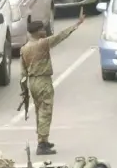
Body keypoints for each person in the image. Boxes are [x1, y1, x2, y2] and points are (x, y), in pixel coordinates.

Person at [20, 9, 85, 155]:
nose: (44, 30)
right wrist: (77, 24)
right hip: (43, 81)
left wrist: (24, 91)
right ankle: (42, 145)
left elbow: (23, 72)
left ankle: (43, 139)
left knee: (39, 111)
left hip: (32, 83)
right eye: (42, 29)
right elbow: (61, 36)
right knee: (46, 112)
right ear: (37, 32)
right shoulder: (42, 44)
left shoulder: (24, 49)